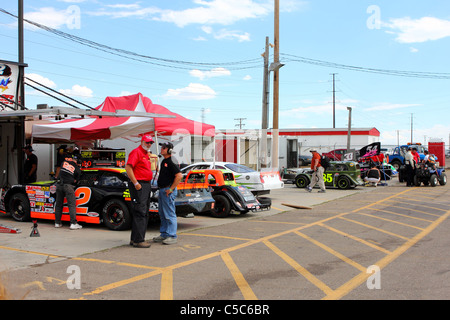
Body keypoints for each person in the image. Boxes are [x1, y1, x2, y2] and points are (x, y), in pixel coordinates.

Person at [125, 134, 154, 248]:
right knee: (140, 212)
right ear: (142, 142)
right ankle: (139, 240)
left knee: (143, 212)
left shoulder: (146, 154)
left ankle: (135, 238)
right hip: (140, 184)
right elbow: (128, 167)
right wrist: (136, 183)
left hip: (145, 184)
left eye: (150, 142)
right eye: (147, 142)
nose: (149, 144)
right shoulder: (136, 152)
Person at [153, 141, 182, 245]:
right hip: (163, 190)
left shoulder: (171, 161)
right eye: (162, 147)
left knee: (169, 214)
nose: (162, 149)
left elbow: (179, 176)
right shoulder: (164, 161)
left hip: (167, 191)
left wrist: (171, 189)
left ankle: (172, 235)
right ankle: (164, 234)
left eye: (164, 147)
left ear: (169, 150)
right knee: (162, 213)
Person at [54, 153, 82, 230]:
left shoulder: (64, 162)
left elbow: (59, 172)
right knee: (72, 205)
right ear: (78, 162)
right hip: (68, 186)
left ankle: (57, 223)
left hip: (59, 185)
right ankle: (73, 223)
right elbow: (76, 180)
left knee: (59, 205)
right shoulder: (77, 169)